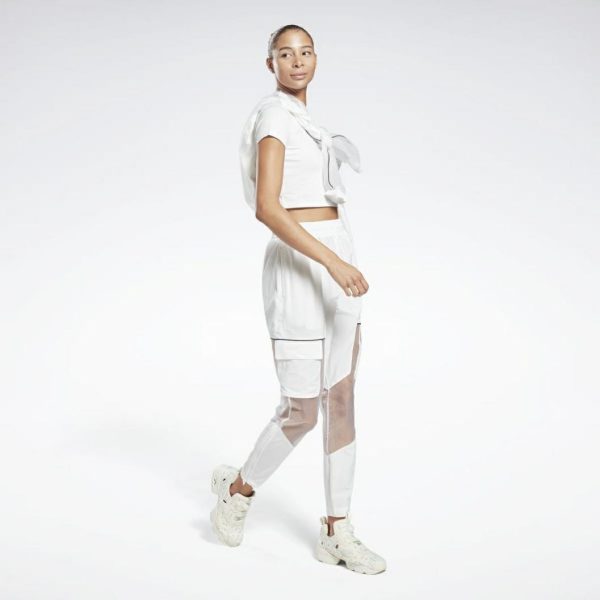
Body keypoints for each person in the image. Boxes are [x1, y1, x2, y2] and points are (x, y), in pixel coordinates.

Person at [210, 24, 386, 575]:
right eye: (285, 53)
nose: (297, 61)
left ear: (316, 58)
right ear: (271, 64)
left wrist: (340, 257)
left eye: (305, 51)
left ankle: (337, 530)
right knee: (302, 410)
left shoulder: (308, 122)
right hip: (300, 267)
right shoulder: (273, 116)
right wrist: (331, 261)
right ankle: (237, 493)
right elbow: (267, 206)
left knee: (342, 397)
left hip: (338, 258)